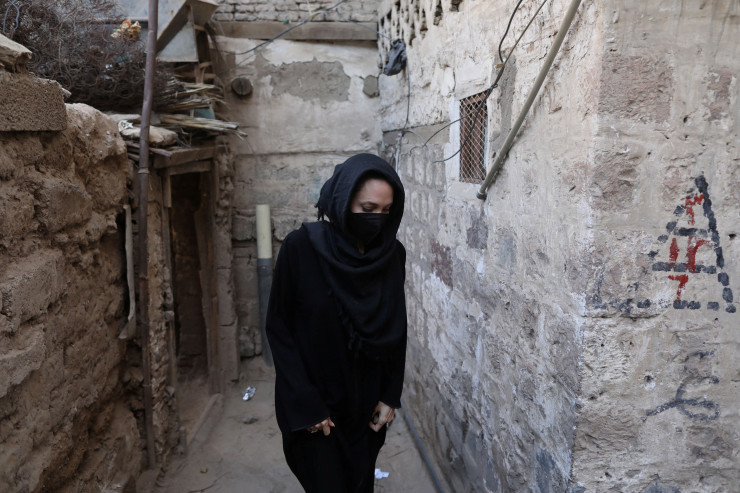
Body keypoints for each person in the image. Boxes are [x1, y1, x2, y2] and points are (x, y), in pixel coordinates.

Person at [266, 153, 407, 493]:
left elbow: (396, 326)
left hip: (366, 406)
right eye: (368, 209)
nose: (377, 220)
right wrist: (307, 405)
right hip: (316, 407)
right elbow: (279, 327)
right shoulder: (301, 248)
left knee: (359, 484)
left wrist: (390, 394)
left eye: (386, 211)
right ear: (343, 202)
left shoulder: (391, 255)